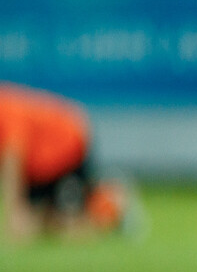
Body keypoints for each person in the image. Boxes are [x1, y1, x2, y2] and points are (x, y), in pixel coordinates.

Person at [0, 81, 135, 243]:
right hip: (40, 165)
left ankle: (113, 206)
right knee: (38, 222)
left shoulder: (5, 108)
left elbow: (14, 157)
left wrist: (15, 211)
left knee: (66, 222)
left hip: (65, 148)